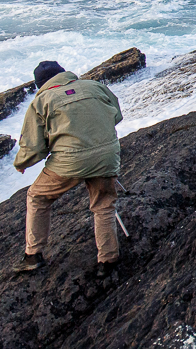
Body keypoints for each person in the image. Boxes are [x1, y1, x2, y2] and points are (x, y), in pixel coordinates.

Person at [12, 60, 123, 274]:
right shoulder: (95, 86)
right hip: (106, 154)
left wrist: (21, 163)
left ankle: (33, 255)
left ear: (40, 84)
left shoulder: (42, 101)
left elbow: (34, 145)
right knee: (103, 205)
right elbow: (115, 115)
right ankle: (108, 260)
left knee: (37, 197)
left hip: (69, 161)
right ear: (64, 74)